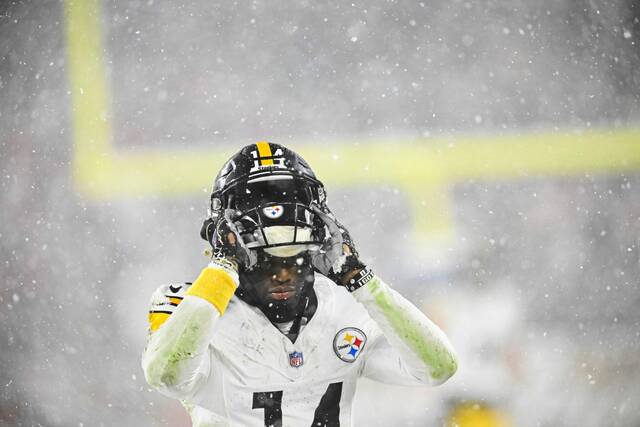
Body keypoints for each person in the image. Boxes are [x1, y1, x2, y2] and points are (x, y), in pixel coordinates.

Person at [142, 142, 458, 426]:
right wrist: (222, 269)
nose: (282, 275)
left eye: (294, 258)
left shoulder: (347, 306)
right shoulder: (190, 306)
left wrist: (361, 280)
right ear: (233, 249)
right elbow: (166, 375)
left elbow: (437, 368)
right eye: (266, 260)